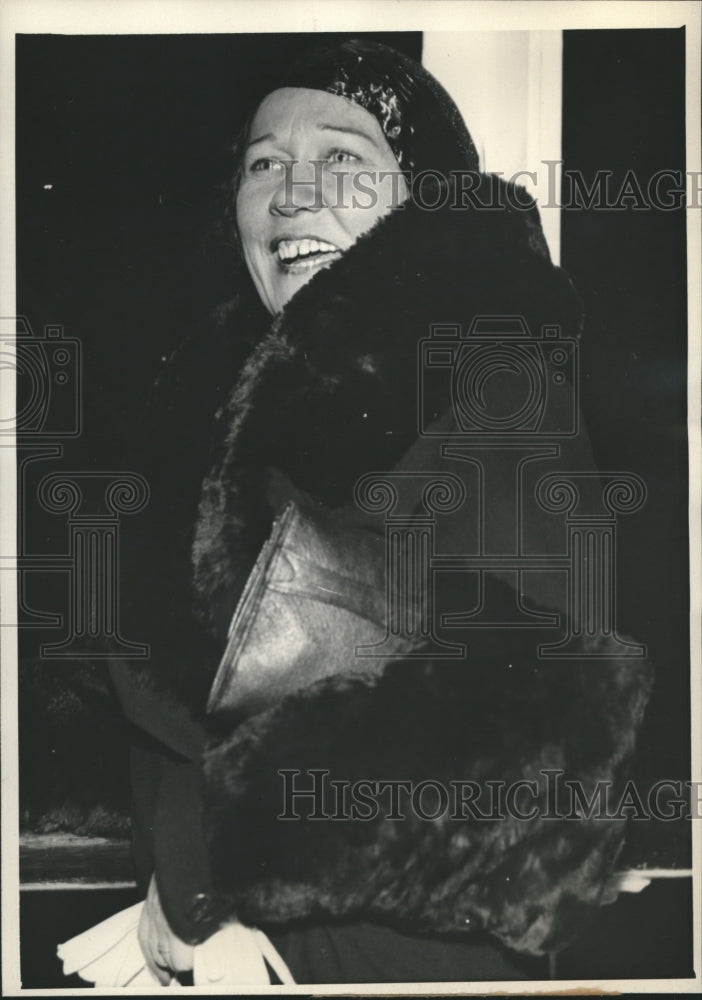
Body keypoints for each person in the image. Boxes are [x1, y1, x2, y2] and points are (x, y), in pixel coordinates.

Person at [108, 38, 652, 985]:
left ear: (422, 198)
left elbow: (524, 730)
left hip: (398, 954)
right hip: (240, 940)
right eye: (263, 164)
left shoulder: (487, 380)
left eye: (342, 158)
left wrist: (199, 867)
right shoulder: (239, 402)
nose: (290, 195)